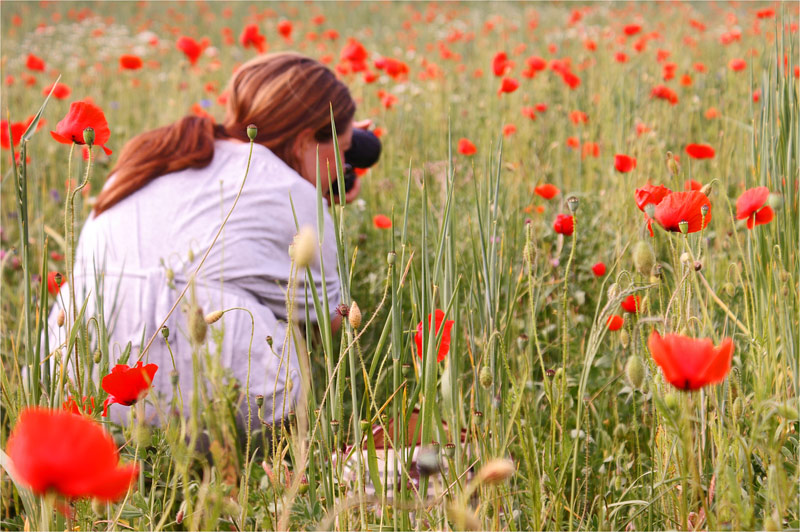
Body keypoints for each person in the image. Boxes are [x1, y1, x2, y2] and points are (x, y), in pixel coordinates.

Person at [47, 52, 362, 427]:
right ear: (307, 140)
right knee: (293, 322)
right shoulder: (294, 195)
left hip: (78, 392)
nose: (341, 168)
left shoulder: (157, 158)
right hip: (214, 416)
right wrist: (319, 208)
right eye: (342, 152)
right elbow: (330, 325)